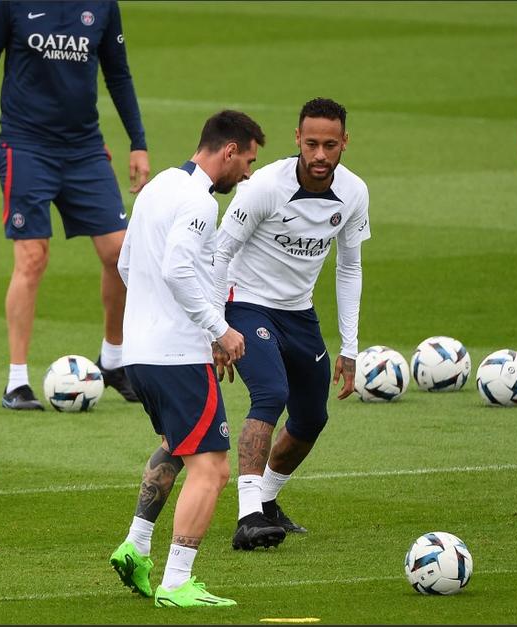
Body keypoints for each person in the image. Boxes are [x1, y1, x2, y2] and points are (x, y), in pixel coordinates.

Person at [0, 1, 151, 410]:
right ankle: (16, 381)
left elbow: (118, 72)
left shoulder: (102, 6)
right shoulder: (11, 5)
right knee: (32, 256)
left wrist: (138, 142)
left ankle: (113, 360)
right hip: (25, 147)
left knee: (120, 253)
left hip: (84, 149)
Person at [108, 110, 264, 607]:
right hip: (176, 356)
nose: (248, 174)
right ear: (229, 151)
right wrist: (218, 331)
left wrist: (156, 320)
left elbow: (126, 264)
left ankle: (135, 546)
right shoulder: (198, 202)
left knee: (177, 446)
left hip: (140, 352)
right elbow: (178, 268)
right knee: (214, 469)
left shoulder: (156, 187)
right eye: (248, 161)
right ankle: (177, 583)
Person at [211, 97, 371, 549]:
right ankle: (247, 518)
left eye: (331, 145)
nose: (320, 155)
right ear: (297, 139)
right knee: (271, 393)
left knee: (311, 417)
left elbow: (350, 267)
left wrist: (350, 346)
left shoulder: (354, 193)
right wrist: (216, 329)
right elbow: (220, 253)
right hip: (247, 304)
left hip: (299, 313)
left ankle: (265, 500)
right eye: (312, 144)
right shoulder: (263, 186)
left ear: (344, 144)